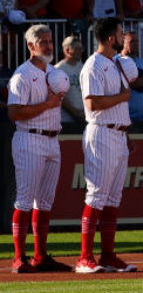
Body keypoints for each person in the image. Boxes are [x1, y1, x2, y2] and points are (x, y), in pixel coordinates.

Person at [8, 24, 72, 273]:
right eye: (42, 42)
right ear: (30, 46)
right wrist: (47, 104)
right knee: (25, 200)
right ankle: (18, 257)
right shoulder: (22, 75)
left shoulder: (55, 73)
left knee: (45, 202)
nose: (48, 46)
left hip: (51, 139)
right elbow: (14, 112)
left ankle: (40, 255)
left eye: (49, 41)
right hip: (29, 138)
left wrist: (50, 104)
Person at [76, 17, 135, 274]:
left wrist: (126, 130)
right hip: (100, 133)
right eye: (121, 33)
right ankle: (84, 258)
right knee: (97, 195)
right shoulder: (93, 65)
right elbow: (92, 104)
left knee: (112, 198)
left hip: (118, 133)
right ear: (111, 37)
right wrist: (122, 97)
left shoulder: (116, 63)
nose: (123, 37)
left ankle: (108, 256)